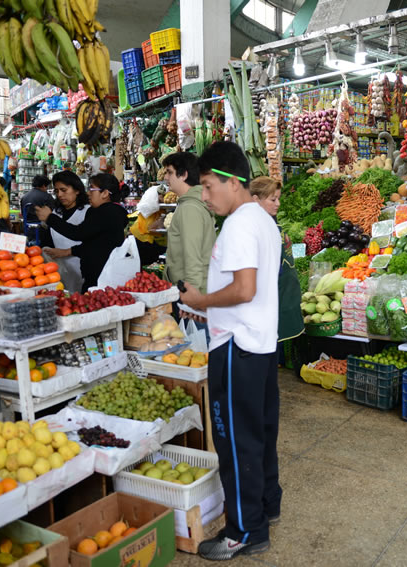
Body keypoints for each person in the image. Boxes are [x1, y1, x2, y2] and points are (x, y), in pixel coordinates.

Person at [178, 142, 281, 560]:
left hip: (237, 347)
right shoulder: (262, 218)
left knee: (236, 442)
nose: (204, 196)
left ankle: (244, 531)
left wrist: (200, 301)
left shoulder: (240, 223)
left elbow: (244, 289)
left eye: (207, 186)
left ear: (233, 182)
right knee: (260, 435)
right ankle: (266, 507)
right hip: (260, 343)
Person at [35, 173, 128, 291]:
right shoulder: (100, 211)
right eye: (56, 191)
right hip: (92, 276)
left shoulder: (108, 213)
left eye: (92, 189)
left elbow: (78, 233)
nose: (88, 193)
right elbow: (92, 243)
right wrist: (68, 251)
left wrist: (50, 218)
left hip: (102, 277)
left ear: (105, 193)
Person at [249, 176, 305, 346]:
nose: (278, 204)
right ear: (255, 200)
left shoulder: (270, 222)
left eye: (278, 198)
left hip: (285, 297)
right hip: (270, 302)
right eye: (273, 199)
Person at [161, 152, 216, 294]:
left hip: (190, 292)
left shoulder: (190, 208)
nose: (166, 177)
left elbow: (193, 257)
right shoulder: (193, 204)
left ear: (184, 175)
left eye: (169, 172)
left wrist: (192, 297)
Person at [40, 170, 89, 292]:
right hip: (60, 273)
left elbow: (90, 244)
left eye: (64, 190)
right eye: (57, 191)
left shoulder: (87, 212)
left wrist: (66, 252)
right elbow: (47, 242)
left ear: (77, 190)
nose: (60, 195)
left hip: (84, 272)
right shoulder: (55, 213)